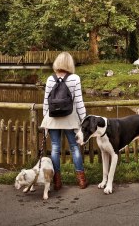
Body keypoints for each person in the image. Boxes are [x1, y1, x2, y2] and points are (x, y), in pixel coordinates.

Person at [41, 51, 88, 190]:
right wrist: (84, 119)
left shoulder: (50, 79)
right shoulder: (75, 78)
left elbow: (46, 102)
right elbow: (79, 101)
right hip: (70, 118)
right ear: (69, 63)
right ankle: (81, 180)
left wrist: (45, 121)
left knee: (55, 148)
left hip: (53, 118)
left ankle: (57, 182)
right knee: (74, 147)